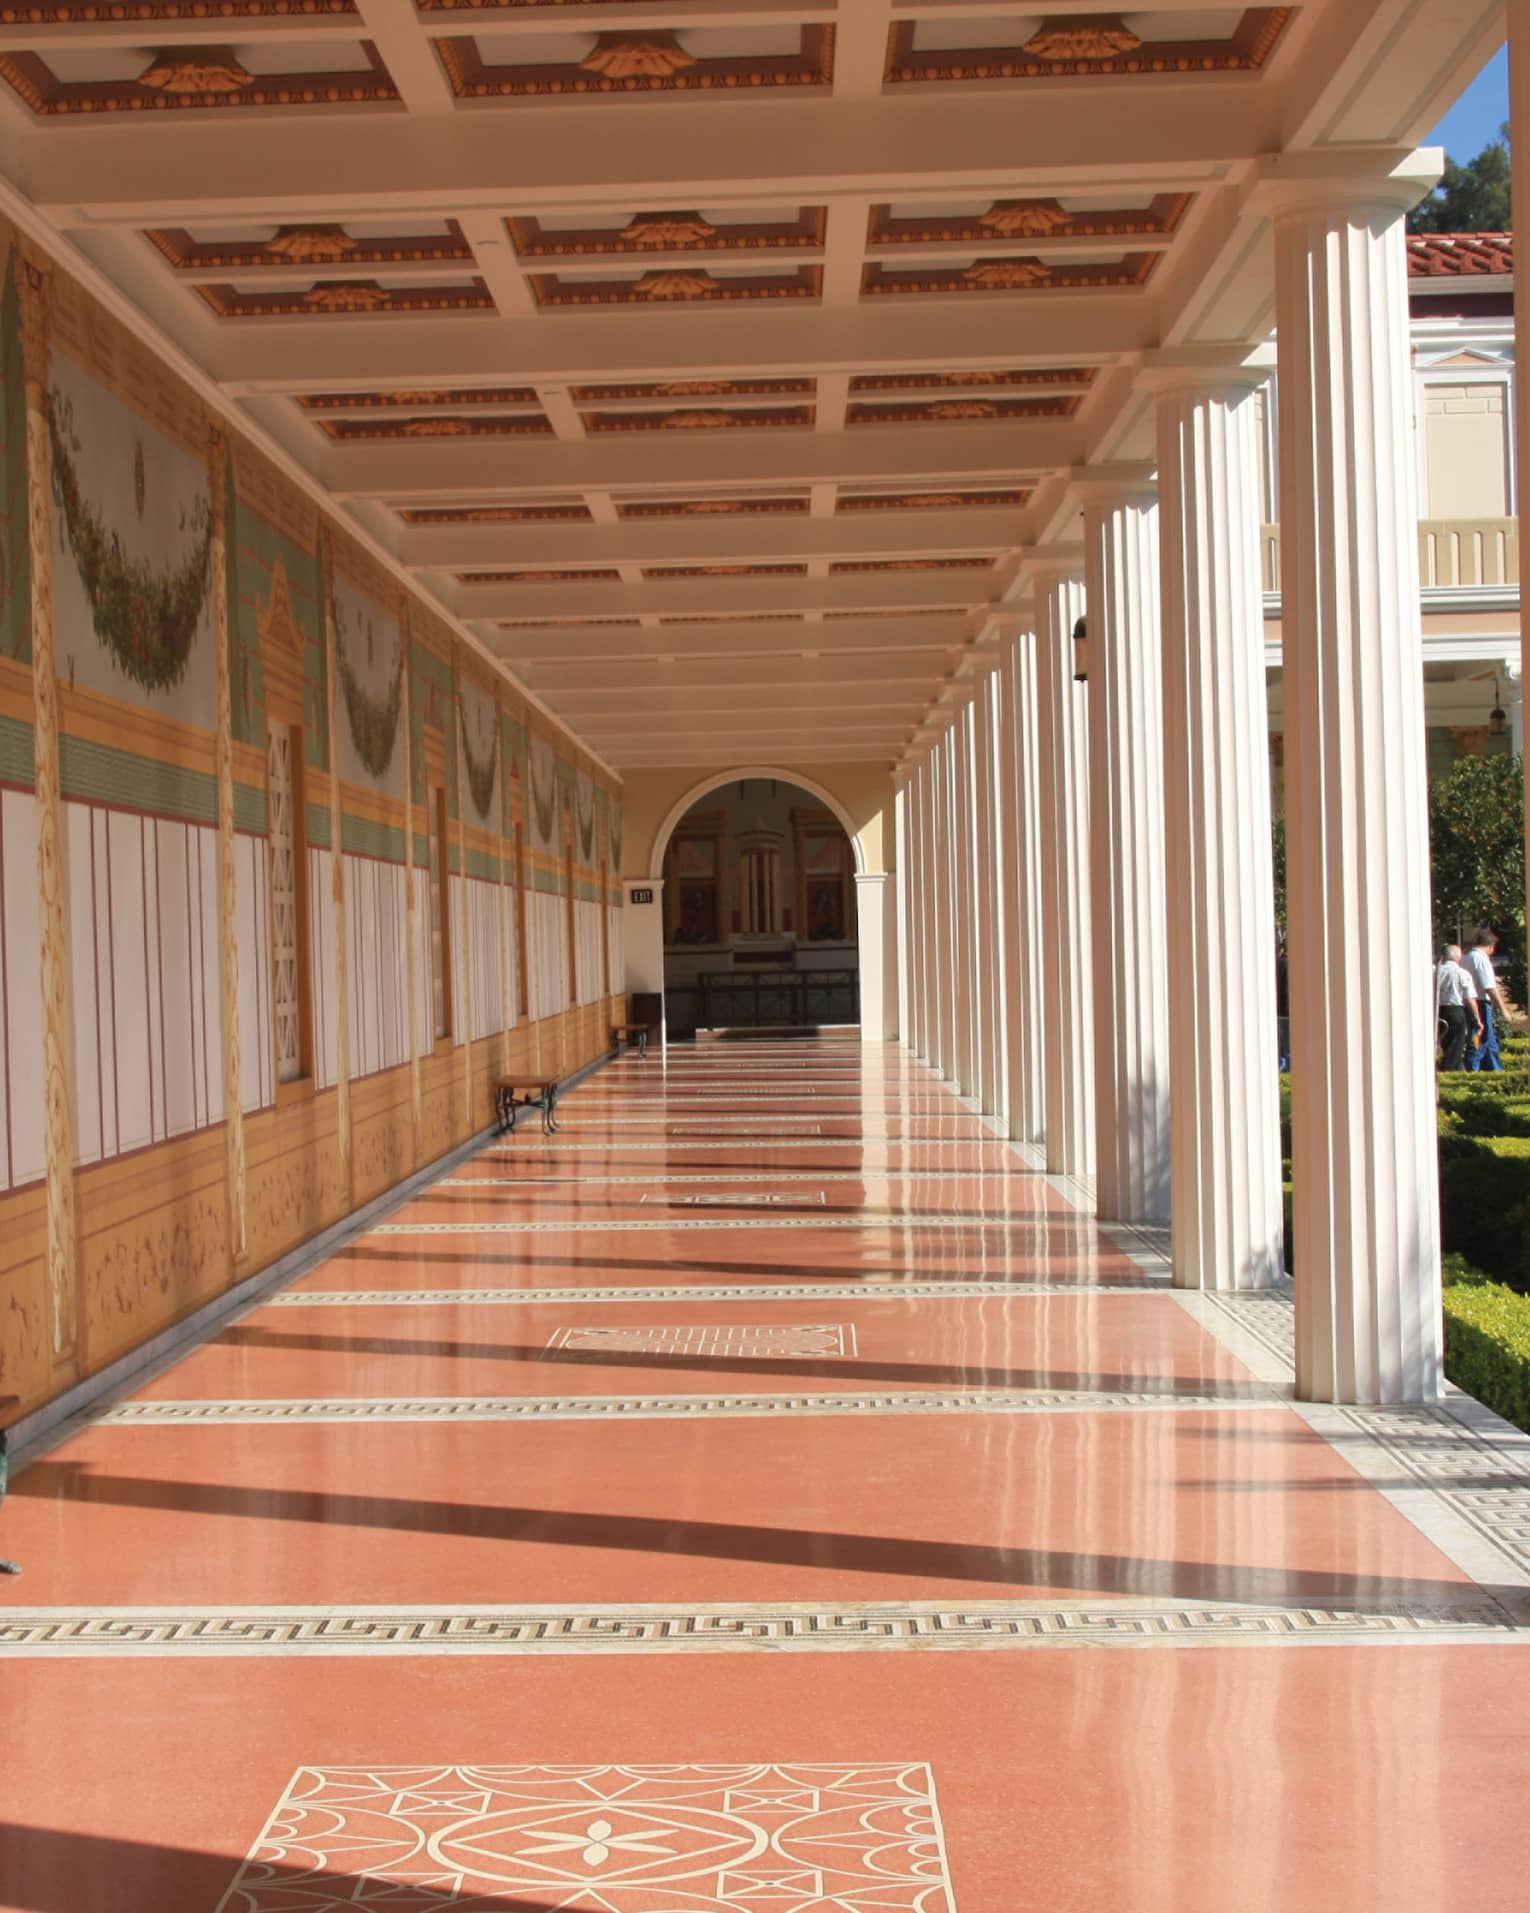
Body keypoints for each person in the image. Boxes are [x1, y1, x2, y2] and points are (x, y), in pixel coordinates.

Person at [1464, 928, 1510, 1074]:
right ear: (1491, 945)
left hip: (1469, 1001)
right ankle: (1473, 1068)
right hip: (1481, 1003)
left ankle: (1495, 1070)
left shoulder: (1466, 957)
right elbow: (1489, 987)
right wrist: (1503, 1009)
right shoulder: (1481, 959)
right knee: (1482, 1039)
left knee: (1489, 1042)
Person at [1436, 942, 1481, 1071]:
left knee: (1445, 1043)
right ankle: (1447, 1071)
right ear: (1457, 957)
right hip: (1455, 1010)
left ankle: (1458, 1070)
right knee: (1456, 1045)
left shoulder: (1435, 971)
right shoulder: (1462, 973)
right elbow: (1470, 998)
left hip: (1438, 1010)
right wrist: (1477, 1018)